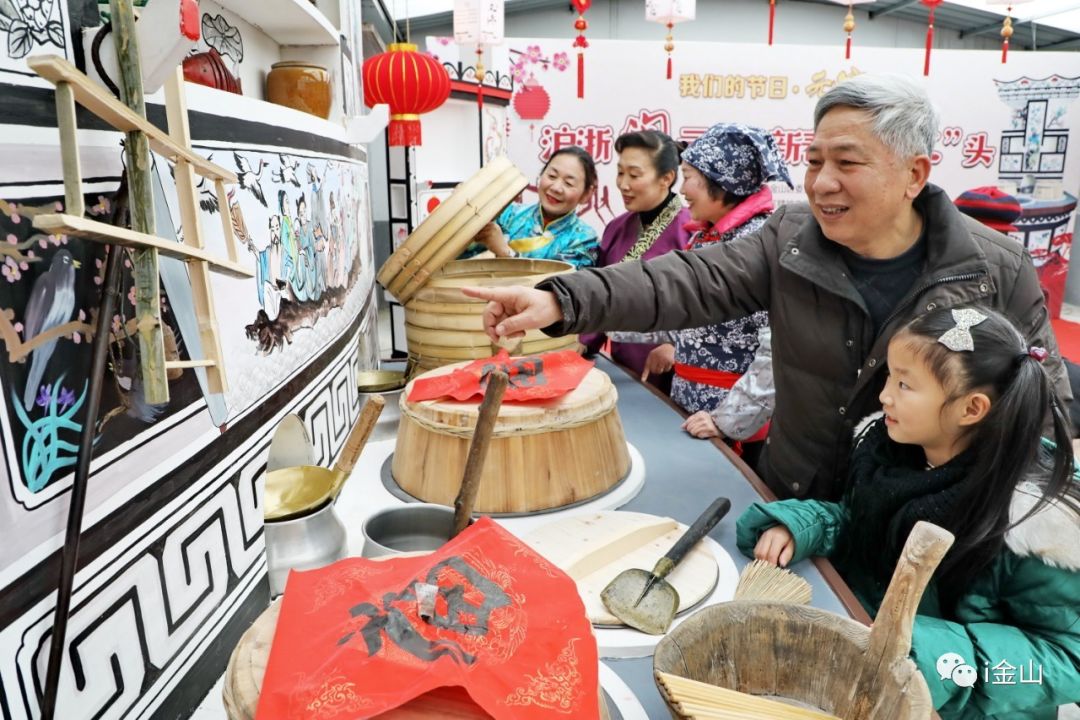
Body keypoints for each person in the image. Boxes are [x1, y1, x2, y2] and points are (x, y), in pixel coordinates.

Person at [463, 73, 1071, 501]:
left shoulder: (994, 269)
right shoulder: (791, 238)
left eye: (847, 163)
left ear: (914, 173)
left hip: (918, 519)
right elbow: (691, 281)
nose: (822, 182)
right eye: (813, 160)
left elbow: (1043, 408)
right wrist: (562, 298)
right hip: (794, 499)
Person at [738, 306, 1080, 720]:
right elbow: (863, 524)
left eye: (904, 384)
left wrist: (930, 656)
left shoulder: (1032, 520)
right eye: (890, 376)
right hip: (866, 668)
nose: (885, 395)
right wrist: (809, 525)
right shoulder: (890, 451)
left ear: (971, 409)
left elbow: (1068, 659)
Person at [607, 124, 791, 467]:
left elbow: (777, 348)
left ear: (722, 181)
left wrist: (728, 420)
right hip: (693, 410)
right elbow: (681, 313)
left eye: (689, 176)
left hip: (734, 428)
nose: (683, 189)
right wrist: (606, 320)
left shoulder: (758, 245)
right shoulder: (705, 237)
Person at [580, 131, 693, 392]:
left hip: (675, 371)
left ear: (667, 178)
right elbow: (600, 294)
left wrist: (676, 345)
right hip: (623, 365)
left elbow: (713, 302)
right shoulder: (616, 228)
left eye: (634, 174)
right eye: (620, 173)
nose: (623, 184)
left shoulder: (691, 230)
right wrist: (585, 344)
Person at [462, 146, 599, 268]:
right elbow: (461, 251)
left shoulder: (585, 240)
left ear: (587, 194)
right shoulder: (508, 214)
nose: (556, 188)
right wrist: (466, 208)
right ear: (541, 175)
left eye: (568, 183)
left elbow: (559, 287)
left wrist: (506, 253)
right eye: (552, 176)